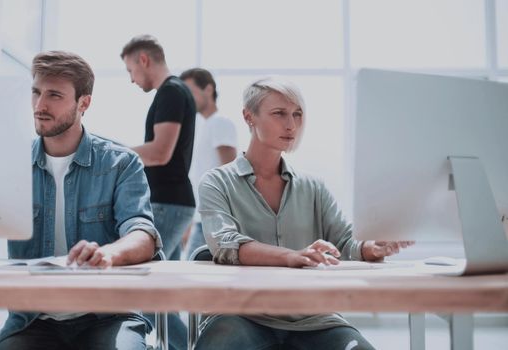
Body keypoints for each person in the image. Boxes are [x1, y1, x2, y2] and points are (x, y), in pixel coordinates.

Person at [195, 77, 414, 350]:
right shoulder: (216, 182)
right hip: (241, 313)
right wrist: (291, 255)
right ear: (248, 117)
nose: (291, 125)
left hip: (312, 317)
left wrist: (372, 247)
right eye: (279, 114)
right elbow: (225, 244)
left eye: (297, 114)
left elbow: (345, 243)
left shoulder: (313, 187)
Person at [0, 51, 160, 350]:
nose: (40, 106)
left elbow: (142, 234)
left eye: (54, 95)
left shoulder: (120, 163)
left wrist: (108, 254)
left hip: (108, 314)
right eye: (36, 92)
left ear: (84, 103)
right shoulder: (8, 162)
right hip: (34, 319)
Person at [121, 34, 196, 350]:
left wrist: (115, 153)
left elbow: (160, 152)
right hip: (171, 202)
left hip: (167, 203)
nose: (132, 80)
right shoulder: (174, 92)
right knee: (163, 292)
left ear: (143, 59)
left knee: (148, 292)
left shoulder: (171, 93)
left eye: (130, 71)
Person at [179, 68, 237, 258]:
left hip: (215, 219)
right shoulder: (203, 126)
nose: (186, 98)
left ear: (208, 89)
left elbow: (230, 171)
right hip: (202, 217)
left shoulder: (220, 122)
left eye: (190, 91)